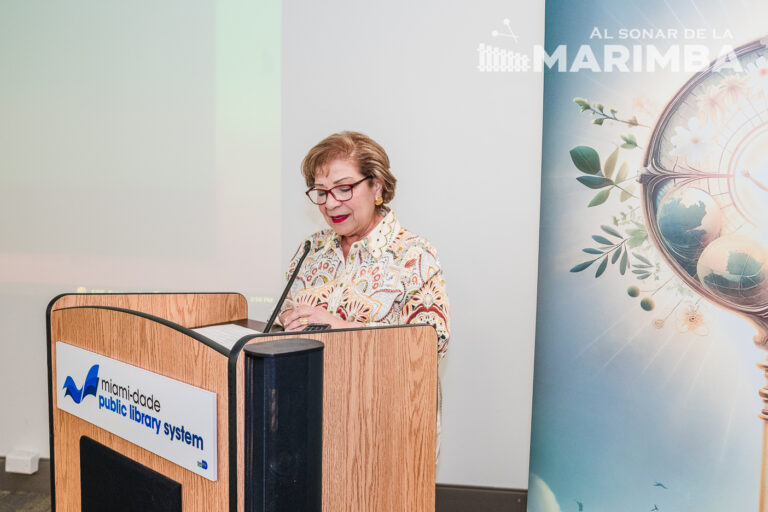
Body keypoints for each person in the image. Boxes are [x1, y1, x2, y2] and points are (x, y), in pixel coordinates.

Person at [278, 131, 449, 362]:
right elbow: (281, 313)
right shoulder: (311, 248)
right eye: (321, 192)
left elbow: (429, 348)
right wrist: (289, 317)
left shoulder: (414, 255)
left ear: (376, 187)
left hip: (380, 395)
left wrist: (342, 329)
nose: (329, 203)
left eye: (343, 189)